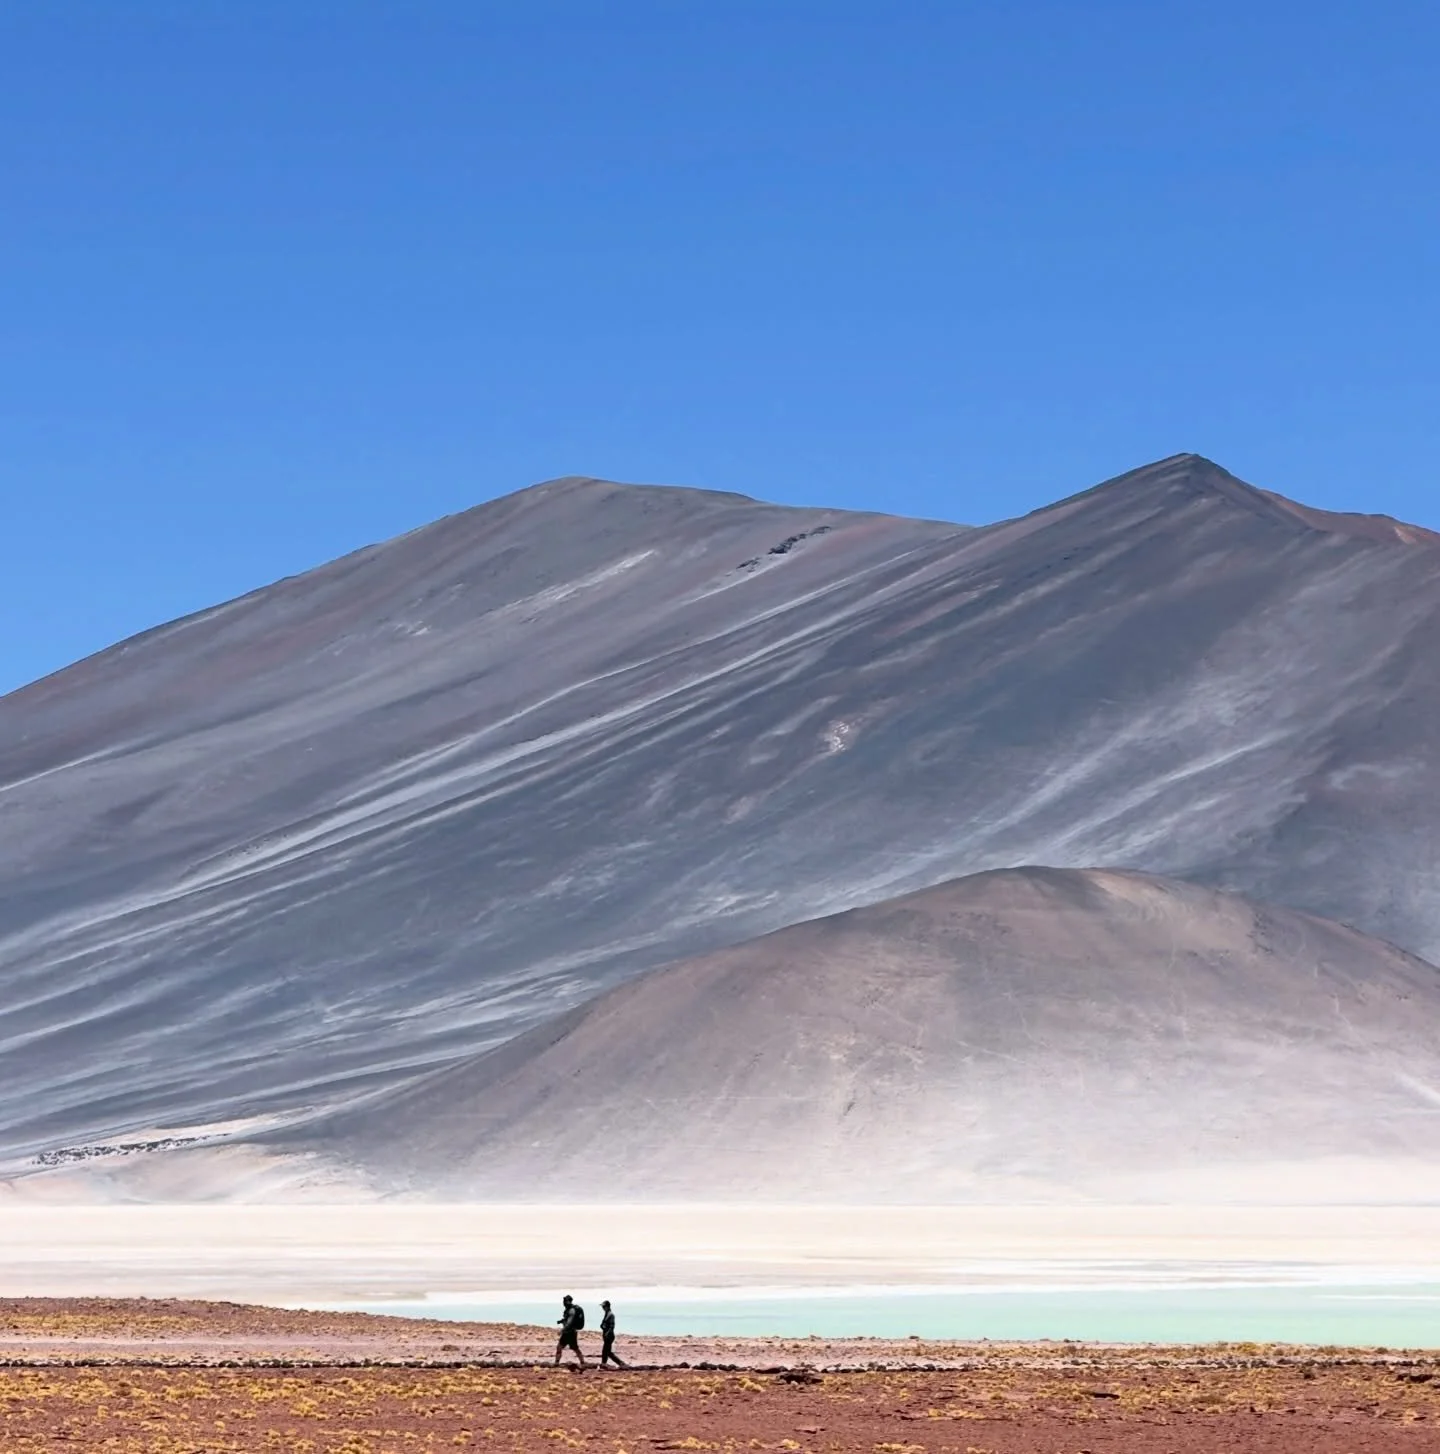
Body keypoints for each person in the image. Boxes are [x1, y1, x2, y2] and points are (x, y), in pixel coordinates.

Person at [554, 1294, 587, 1369]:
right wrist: (562, 1321)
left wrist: (562, 1330)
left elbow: (569, 1322)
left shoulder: (572, 1310)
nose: (564, 1302)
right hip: (568, 1332)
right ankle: (556, 1363)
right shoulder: (568, 1310)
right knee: (560, 1347)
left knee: (575, 1348)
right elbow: (567, 1319)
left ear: (568, 1301)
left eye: (565, 1301)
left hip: (570, 1333)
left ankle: (582, 1362)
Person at [599, 1299, 627, 1369]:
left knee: (607, 1352)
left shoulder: (611, 1315)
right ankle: (604, 1364)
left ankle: (621, 1363)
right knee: (606, 1352)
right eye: (602, 1307)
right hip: (606, 1335)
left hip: (609, 1336)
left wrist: (607, 1333)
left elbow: (612, 1326)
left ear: (607, 1307)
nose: (603, 1308)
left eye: (604, 1307)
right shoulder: (606, 1314)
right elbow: (603, 1325)